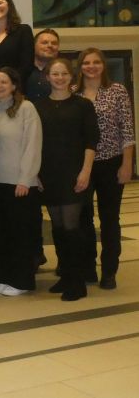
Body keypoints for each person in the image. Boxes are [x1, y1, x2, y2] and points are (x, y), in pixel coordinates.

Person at [34, 58, 99, 301]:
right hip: (49, 173)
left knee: (72, 228)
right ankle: (65, 274)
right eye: (54, 74)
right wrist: (36, 173)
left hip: (75, 173)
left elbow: (91, 141)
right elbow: (35, 143)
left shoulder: (83, 106)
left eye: (63, 74)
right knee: (58, 228)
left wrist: (86, 171)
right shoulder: (38, 107)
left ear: (71, 77)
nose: (59, 78)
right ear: (47, 77)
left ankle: (77, 280)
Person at [76, 48, 135, 289]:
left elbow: (127, 129)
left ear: (103, 65)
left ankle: (109, 270)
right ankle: (88, 266)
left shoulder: (117, 90)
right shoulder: (73, 93)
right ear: (79, 67)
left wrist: (127, 163)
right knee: (83, 218)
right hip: (82, 166)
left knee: (110, 219)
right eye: (86, 63)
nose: (91, 66)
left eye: (96, 62)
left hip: (112, 163)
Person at [0, 67, 42, 296]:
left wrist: (26, 179)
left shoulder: (26, 108)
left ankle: (20, 280)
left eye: (4, 82)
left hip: (19, 183)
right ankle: (1, 276)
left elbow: (33, 145)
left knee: (20, 235)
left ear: (14, 85)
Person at [24, 28, 59, 101]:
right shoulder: (21, 71)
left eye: (54, 43)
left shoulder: (63, 74)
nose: (50, 45)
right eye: (44, 42)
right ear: (33, 46)